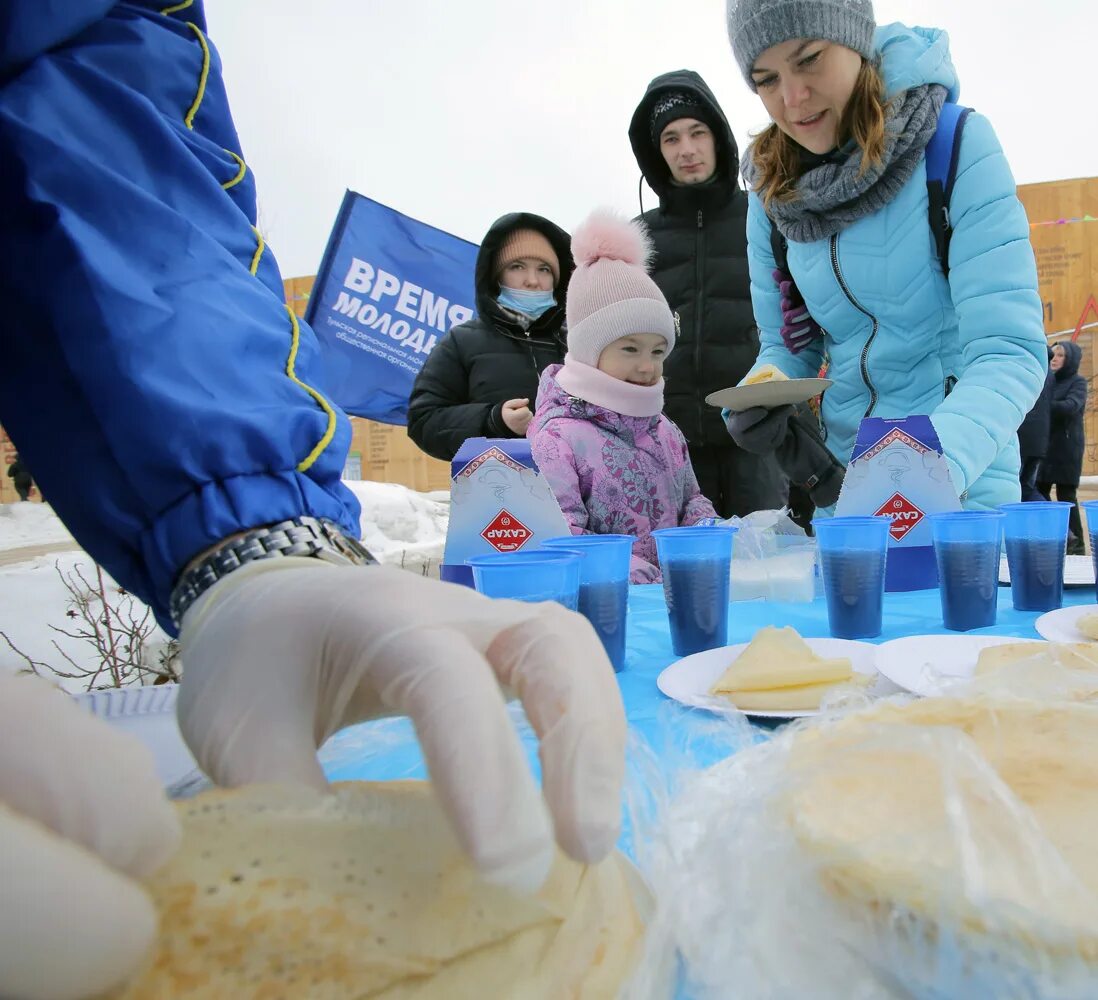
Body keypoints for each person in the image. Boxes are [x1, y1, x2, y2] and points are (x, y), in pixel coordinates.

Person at [0, 6, 624, 994]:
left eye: (548, 272)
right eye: (522, 270)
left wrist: (249, 538)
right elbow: (427, 416)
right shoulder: (463, 344)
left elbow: (107, 137)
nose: (535, 285)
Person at [722, 0, 1046, 513]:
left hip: (962, 491)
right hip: (844, 498)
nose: (792, 98)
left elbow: (1008, 351)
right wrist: (758, 398)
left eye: (808, 59)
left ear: (854, 40)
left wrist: (923, 470)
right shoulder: (773, 192)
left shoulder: (954, 146)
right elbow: (788, 347)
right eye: (765, 79)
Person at [627, 70, 789, 521]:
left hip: (754, 433)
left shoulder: (763, 216)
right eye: (671, 139)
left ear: (717, 137)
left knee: (762, 569)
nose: (687, 149)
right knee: (680, 575)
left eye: (697, 132)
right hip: (668, 440)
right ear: (655, 152)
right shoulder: (638, 239)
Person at [528, 211, 718, 584]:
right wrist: (616, 567)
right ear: (589, 350)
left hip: (669, 597)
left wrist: (704, 528)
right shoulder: (556, 438)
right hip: (602, 605)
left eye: (658, 352)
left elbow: (691, 499)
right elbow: (556, 532)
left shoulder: (664, 430)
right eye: (630, 350)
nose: (648, 367)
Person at [407, 215, 572, 460]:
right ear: (496, 276)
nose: (533, 280)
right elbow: (424, 422)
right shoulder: (461, 341)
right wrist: (493, 420)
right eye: (517, 267)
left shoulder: (577, 343)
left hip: (578, 493)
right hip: (498, 492)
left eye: (544, 269)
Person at [1038, 341, 1088, 553]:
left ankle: (1076, 543)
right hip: (1045, 447)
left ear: (1070, 360)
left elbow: (1071, 406)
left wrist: (1044, 406)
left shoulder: (1077, 382)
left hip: (1067, 449)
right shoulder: (1047, 381)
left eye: (1060, 355)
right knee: (1040, 491)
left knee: (1067, 495)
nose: (1055, 358)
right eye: (1054, 354)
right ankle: (1058, 538)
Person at [1017, 348, 1054, 502]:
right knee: (1027, 487)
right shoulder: (1047, 371)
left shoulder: (1022, 365)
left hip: (1023, 437)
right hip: (1039, 441)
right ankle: (1054, 522)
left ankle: (1053, 521)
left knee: (1020, 487)